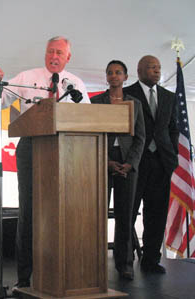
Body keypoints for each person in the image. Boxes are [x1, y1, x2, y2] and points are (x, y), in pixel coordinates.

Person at [0, 36, 90, 292]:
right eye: (50, 51)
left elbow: (88, 116)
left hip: (67, 150)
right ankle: (24, 275)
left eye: (59, 53)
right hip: (32, 146)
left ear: (68, 57)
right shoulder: (27, 76)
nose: (54, 56)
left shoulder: (75, 83)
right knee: (30, 210)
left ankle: (63, 270)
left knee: (65, 211)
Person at [124, 55, 179, 273]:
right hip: (136, 160)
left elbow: (173, 128)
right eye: (151, 67)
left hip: (162, 163)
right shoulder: (128, 93)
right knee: (129, 212)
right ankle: (125, 261)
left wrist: (172, 154)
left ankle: (151, 260)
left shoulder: (169, 96)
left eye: (158, 67)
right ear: (139, 71)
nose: (156, 71)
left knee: (156, 213)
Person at [91, 60, 145, 280]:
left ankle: (125, 264)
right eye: (110, 73)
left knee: (125, 216)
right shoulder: (96, 102)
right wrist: (106, 162)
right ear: (106, 77)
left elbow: (140, 138)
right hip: (101, 162)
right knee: (97, 215)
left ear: (126, 76)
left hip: (127, 164)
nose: (114, 76)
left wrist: (130, 164)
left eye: (118, 72)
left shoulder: (136, 104)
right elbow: (91, 134)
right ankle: (95, 263)